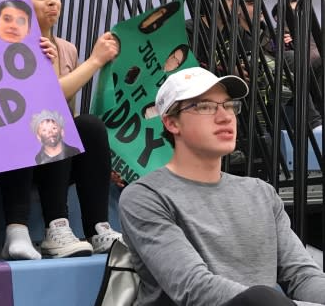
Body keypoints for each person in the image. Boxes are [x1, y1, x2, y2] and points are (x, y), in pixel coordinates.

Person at [119, 67, 325, 306]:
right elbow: (194, 287)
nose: (225, 116)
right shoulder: (145, 196)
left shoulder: (261, 192)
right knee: (261, 297)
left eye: (228, 105)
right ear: (172, 123)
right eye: (205, 106)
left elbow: (302, 275)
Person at [0, 0, 122, 260]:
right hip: (15, 156)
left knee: (88, 125)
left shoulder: (66, 49)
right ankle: (55, 224)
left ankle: (97, 228)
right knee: (45, 119)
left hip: (53, 155)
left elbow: (66, 113)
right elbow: (47, 100)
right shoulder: (3, 46)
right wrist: (96, 60)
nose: (52, 2)